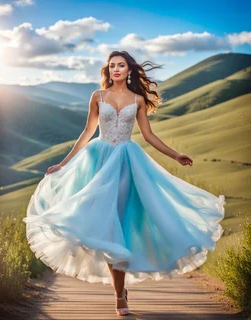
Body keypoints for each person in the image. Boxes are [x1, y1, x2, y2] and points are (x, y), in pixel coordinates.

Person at [23, 50, 226, 316]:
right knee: (106, 228)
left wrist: (176, 155)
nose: (115, 69)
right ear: (107, 70)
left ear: (129, 70)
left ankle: (120, 291)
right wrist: (64, 163)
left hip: (127, 165)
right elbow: (88, 132)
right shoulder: (98, 96)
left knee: (119, 223)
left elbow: (149, 135)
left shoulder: (138, 100)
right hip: (98, 162)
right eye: (111, 66)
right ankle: (120, 294)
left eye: (120, 65)